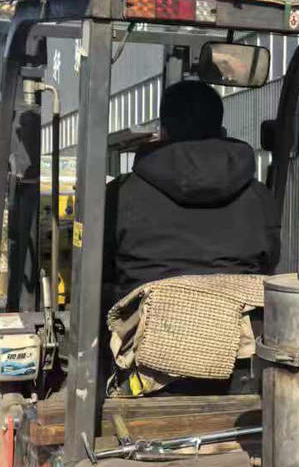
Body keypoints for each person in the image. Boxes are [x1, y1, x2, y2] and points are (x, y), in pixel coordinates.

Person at [103, 80, 280, 307]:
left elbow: (100, 268)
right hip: (238, 324)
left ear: (163, 131)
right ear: (221, 131)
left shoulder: (119, 195)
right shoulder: (259, 196)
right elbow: (269, 261)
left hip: (144, 324)